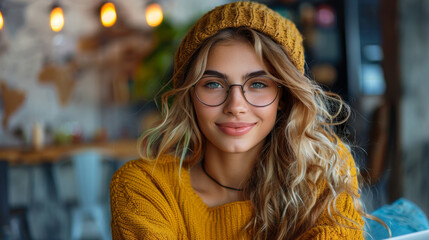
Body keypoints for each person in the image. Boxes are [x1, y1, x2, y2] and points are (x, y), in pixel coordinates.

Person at [110, 2, 370, 239]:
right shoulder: (145, 188)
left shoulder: (322, 172)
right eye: (213, 84)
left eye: (257, 83)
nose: (235, 106)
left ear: (284, 96)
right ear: (191, 95)